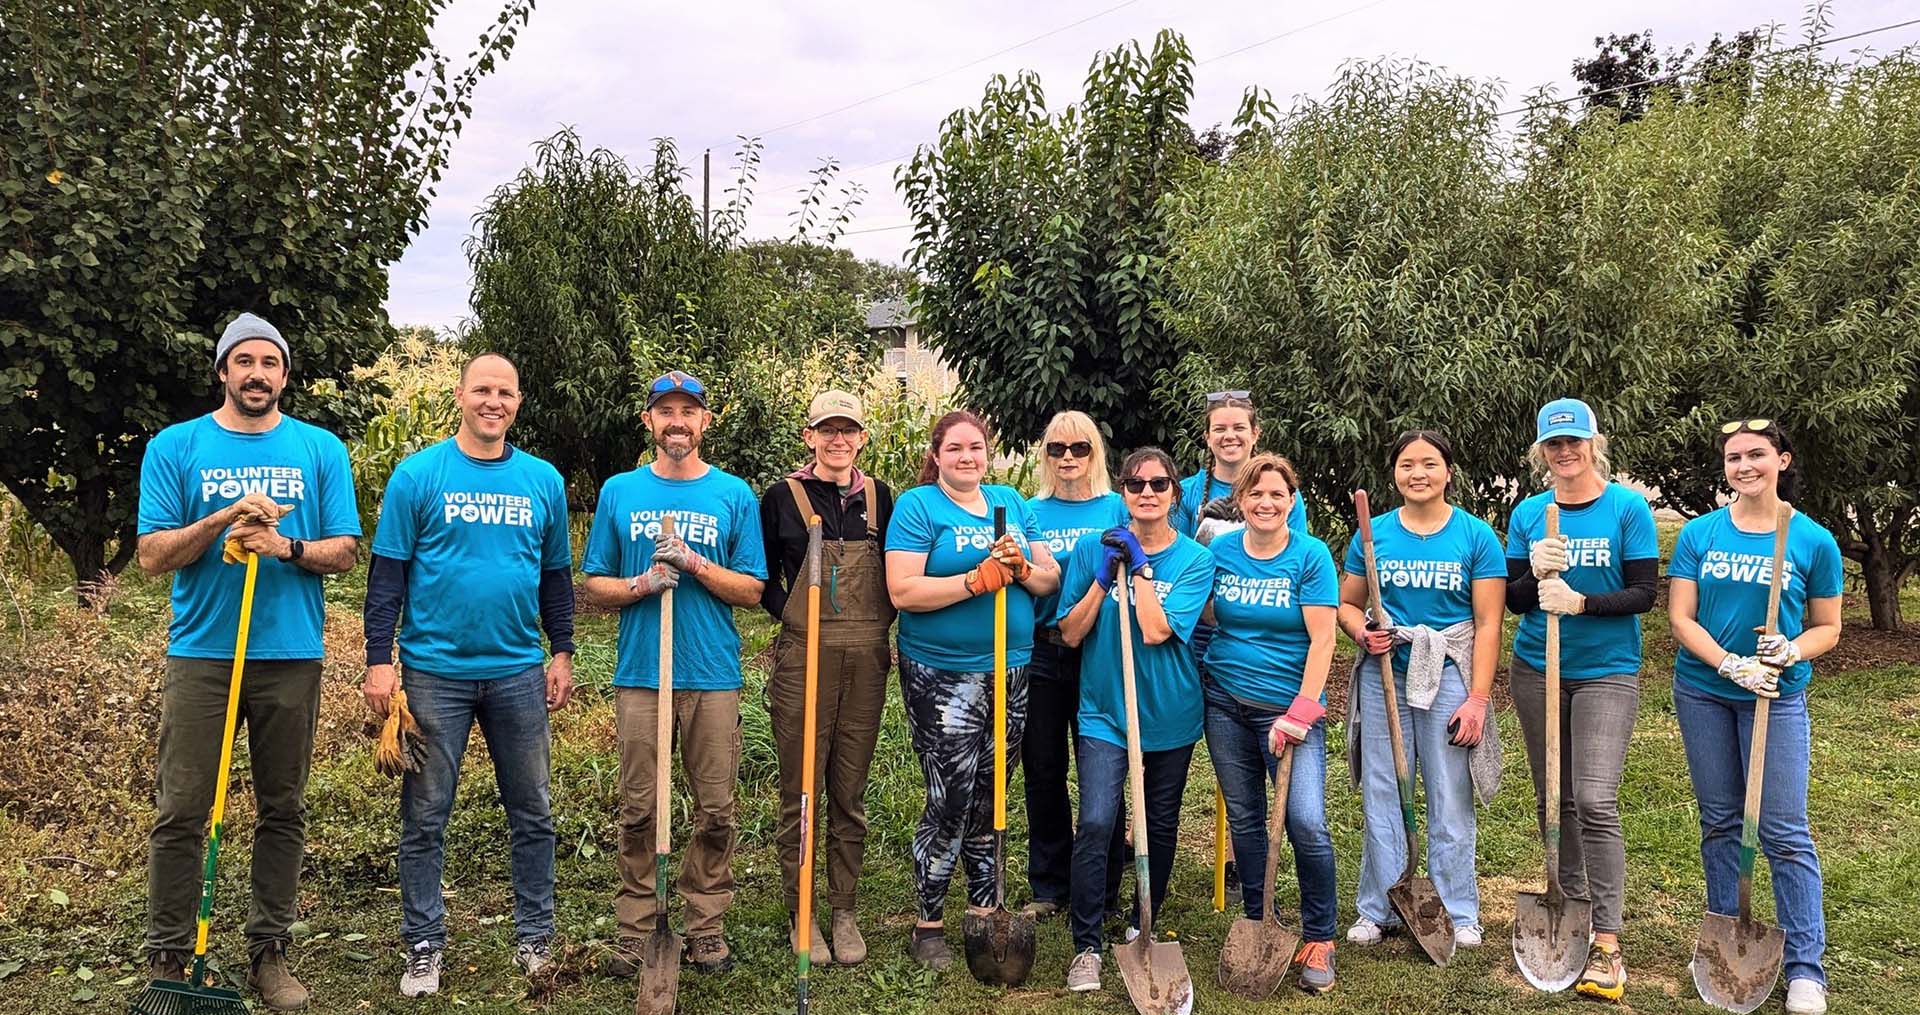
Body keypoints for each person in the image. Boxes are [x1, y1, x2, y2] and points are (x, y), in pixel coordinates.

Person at [135, 313, 361, 1011]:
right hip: (201, 652)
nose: (257, 373)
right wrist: (220, 520)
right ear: (223, 371)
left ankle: (269, 949)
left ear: (285, 375)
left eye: (270, 362)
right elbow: (150, 556)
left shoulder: (319, 450)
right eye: (244, 362)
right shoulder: (177, 446)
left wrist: (284, 545)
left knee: (282, 805)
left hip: (290, 653)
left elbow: (345, 551)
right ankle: (171, 951)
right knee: (181, 807)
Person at [361, 353, 575, 997]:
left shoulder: (542, 481)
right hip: (433, 673)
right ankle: (424, 944)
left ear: (517, 401)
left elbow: (555, 578)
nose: (493, 401)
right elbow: (388, 574)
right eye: (482, 389)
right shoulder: (418, 475)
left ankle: (536, 938)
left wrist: (561, 651)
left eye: (505, 392)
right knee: (426, 815)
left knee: (533, 810)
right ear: (460, 395)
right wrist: (379, 659)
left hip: (517, 671)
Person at [582, 369, 768, 976]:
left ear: (705, 422)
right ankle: (637, 927)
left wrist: (692, 562)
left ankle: (705, 926)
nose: (678, 421)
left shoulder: (733, 495)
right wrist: (640, 584)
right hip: (642, 673)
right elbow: (593, 583)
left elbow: (751, 589)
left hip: (712, 673)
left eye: (689, 411)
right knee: (639, 807)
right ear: (650, 422)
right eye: (666, 412)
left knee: (716, 808)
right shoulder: (620, 491)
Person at [1668, 419, 1842, 1015]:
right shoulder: (1700, 534)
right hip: (1705, 693)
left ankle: (1805, 969)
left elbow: (1829, 626)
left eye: (1757, 455)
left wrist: (1793, 649)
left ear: (1783, 460)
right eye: (1734, 457)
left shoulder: (1811, 540)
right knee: (1720, 820)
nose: (1744, 466)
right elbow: (1681, 618)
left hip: (1777, 696)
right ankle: (1726, 941)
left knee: (1783, 831)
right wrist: (1727, 666)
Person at [884, 410, 1061, 969]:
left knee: (993, 791)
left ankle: (986, 912)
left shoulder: (1009, 501)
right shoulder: (919, 507)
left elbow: (1049, 577)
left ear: (989, 454)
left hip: (1010, 668)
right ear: (936, 455)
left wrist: (1022, 568)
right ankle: (928, 921)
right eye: (955, 448)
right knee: (951, 795)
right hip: (943, 673)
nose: (967, 457)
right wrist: (973, 580)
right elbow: (903, 592)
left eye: (976, 448)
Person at [1503, 398, 1658, 1001]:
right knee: (1557, 797)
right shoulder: (1530, 513)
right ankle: (1569, 911)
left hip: (1606, 670)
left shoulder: (1627, 508)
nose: (1564, 452)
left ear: (1594, 442)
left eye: (1574, 441)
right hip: (1537, 667)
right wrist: (1533, 576)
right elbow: (1514, 601)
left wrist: (1582, 603)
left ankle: (1609, 941)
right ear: (1542, 451)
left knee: (1594, 798)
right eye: (1553, 444)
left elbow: (1644, 592)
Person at [1339, 429, 1505, 951]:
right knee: (1384, 792)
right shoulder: (1374, 533)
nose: (1418, 473)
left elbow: (1488, 623)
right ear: (1395, 473)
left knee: (1449, 795)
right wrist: (1362, 632)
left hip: (1449, 672)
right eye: (1407, 464)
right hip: (1385, 672)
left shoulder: (1476, 537)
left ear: (1448, 472)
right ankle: (1380, 907)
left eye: (1429, 463)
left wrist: (1477, 699)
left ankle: (1457, 911)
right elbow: (1347, 606)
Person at [1056, 448, 1212, 993]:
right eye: (1135, 483)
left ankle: (1140, 919)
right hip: (1104, 711)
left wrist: (1142, 570)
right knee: (1098, 821)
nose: (1147, 492)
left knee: (1159, 823)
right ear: (1122, 490)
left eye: (1159, 483)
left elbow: (1154, 630)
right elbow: (1072, 634)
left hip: (1169, 713)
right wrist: (1103, 579)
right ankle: (1087, 945)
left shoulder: (1195, 560)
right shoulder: (1088, 549)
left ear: (1174, 493)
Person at [757, 389, 896, 966]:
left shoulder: (882, 498)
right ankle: (803, 909)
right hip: (805, 656)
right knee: (802, 787)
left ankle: (843, 907)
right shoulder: (782, 498)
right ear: (809, 437)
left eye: (849, 430)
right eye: (827, 430)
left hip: (867, 657)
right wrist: (796, 615)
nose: (838, 440)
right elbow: (762, 579)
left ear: (862, 438)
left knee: (849, 787)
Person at [1201, 453, 1342, 993]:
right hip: (1225, 703)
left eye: (1276, 495)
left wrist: (1300, 713)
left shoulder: (1309, 556)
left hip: (1291, 710)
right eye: (1255, 494)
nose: (1265, 503)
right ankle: (1259, 919)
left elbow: (1324, 639)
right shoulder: (1221, 551)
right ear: (1240, 501)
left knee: (1306, 821)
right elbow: (1208, 612)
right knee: (1245, 819)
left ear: (1291, 500)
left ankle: (1319, 936)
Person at [1019, 411, 1127, 922]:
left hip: (1100, 652)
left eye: (1079, 448)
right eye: (1057, 449)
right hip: (1041, 652)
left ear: (1095, 453)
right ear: (1045, 456)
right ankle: (1049, 883)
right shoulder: (1029, 511)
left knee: (1100, 770)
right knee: (1043, 769)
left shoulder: (1117, 508)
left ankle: (1103, 886)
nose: (1067, 458)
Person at [1173, 392, 1306, 539]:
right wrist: (1203, 525)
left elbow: (1298, 551)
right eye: (1220, 429)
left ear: (1255, 434)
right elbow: (1178, 555)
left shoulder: (1281, 490)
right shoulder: (1185, 492)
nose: (1229, 436)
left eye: (1239, 428)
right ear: (1208, 438)